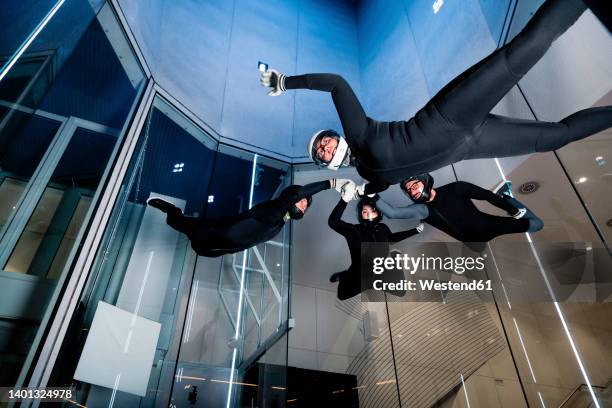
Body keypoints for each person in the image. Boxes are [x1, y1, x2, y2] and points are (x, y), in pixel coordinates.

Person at [261, 0, 612, 194]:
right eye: (320, 153)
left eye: (323, 142)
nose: (324, 148)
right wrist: (351, 191)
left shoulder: (359, 133)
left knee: (527, 48)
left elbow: (336, 83)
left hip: (451, 115)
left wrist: (285, 82)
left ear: (335, 136)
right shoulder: (372, 178)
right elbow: (379, 188)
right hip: (471, 145)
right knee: (556, 138)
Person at [147, 179, 354, 257]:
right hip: (213, 230)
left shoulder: (280, 224)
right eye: (302, 200)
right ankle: (172, 210)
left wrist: (219, 252)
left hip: (214, 243)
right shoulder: (278, 209)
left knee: (189, 236)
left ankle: (178, 218)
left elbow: (247, 242)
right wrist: (332, 183)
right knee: (176, 222)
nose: (303, 204)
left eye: (306, 205)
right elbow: (295, 195)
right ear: (292, 198)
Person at [376, 174, 543, 251]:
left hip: (490, 225)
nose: (412, 192)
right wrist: (369, 194)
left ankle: (506, 196)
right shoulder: (422, 210)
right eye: (409, 191)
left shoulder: (456, 188)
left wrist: (512, 209)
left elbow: (486, 196)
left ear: (424, 180)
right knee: (479, 249)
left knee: (537, 225)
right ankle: (506, 199)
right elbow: (392, 212)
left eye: (414, 186)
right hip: (474, 243)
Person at [328, 190, 424, 300]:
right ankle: (344, 276)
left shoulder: (383, 228)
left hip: (379, 271)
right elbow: (333, 222)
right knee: (342, 295)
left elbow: (391, 238)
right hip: (360, 273)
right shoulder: (354, 230)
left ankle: (393, 260)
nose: (369, 214)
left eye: (372, 211)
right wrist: (344, 200)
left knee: (401, 290)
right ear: (360, 214)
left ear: (378, 212)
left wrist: (416, 230)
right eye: (365, 212)